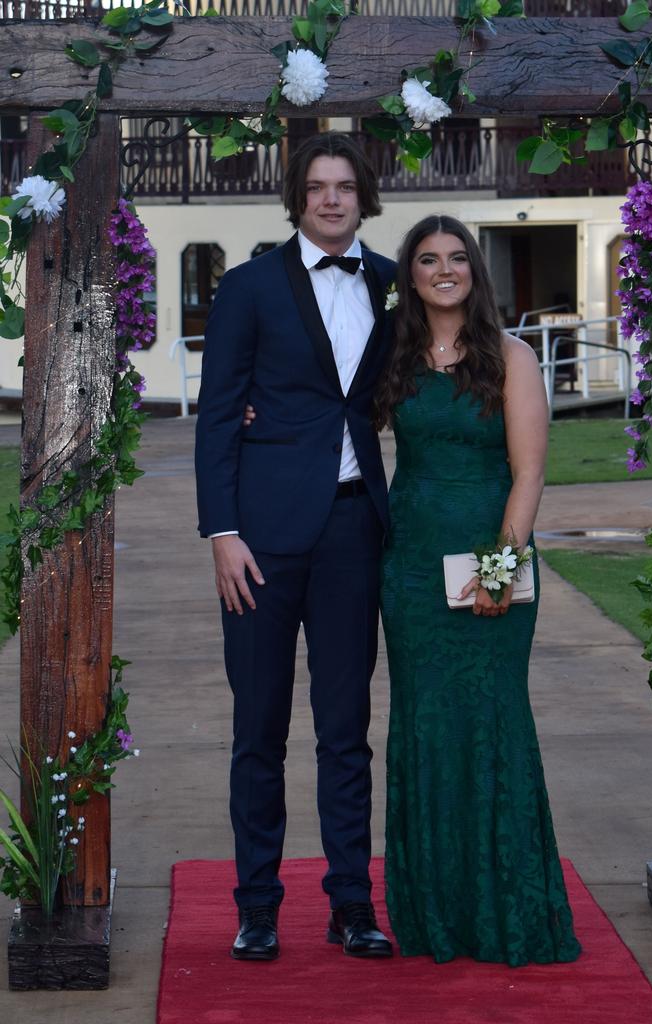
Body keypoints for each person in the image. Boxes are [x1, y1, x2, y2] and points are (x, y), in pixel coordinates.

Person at [195, 132, 396, 961]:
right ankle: (257, 908)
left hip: (355, 531)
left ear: (363, 196)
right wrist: (222, 533)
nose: (331, 199)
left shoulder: (393, 284)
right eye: (316, 185)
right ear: (296, 196)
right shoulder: (245, 288)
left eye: (345, 185)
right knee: (259, 731)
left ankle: (353, 904)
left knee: (346, 731)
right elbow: (216, 416)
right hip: (261, 545)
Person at [373, 214, 582, 966]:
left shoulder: (512, 356)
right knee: (425, 725)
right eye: (428, 260)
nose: (444, 270)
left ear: (474, 271)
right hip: (411, 569)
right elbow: (341, 426)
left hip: (490, 560)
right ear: (412, 274)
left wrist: (499, 568)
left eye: (457, 258)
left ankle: (508, 910)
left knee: (492, 719)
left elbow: (528, 472)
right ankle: (436, 912)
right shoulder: (393, 355)